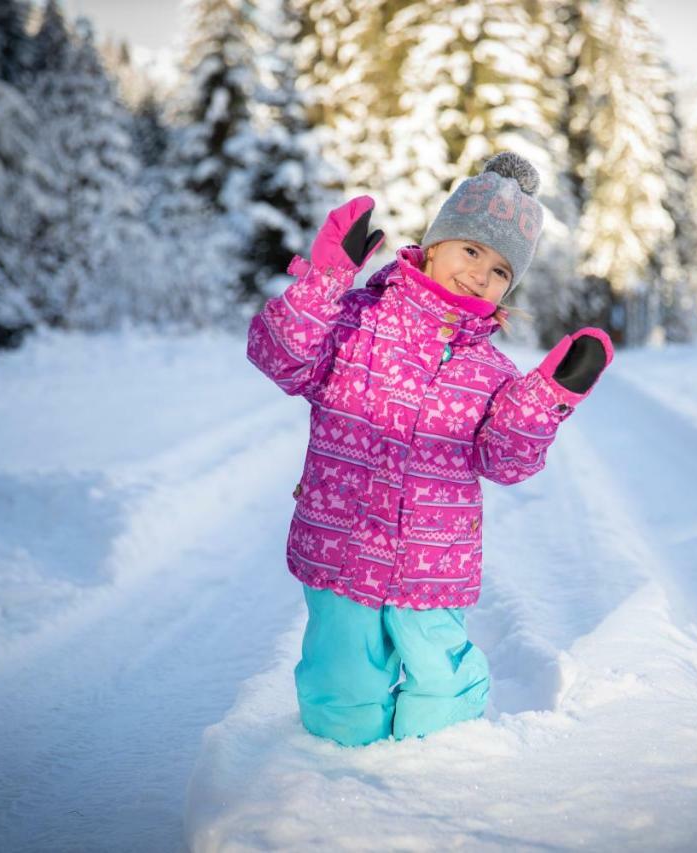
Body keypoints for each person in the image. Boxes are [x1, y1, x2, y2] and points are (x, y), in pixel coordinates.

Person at [246, 151, 613, 747]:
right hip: (343, 545)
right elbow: (280, 357)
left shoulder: (491, 369)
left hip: (433, 560)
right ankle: (336, 782)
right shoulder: (355, 322)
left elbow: (505, 461)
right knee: (342, 684)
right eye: (472, 251)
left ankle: (431, 780)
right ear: (434, 245)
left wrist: (544, 400)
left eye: (500, 271)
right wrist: (325, 282)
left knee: (443, 682)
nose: (481, 275)